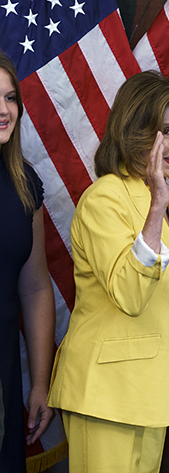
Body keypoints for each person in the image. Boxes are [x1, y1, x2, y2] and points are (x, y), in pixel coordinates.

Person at [47, 71, 169, 472]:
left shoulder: (161, 199)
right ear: (136, 130)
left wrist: (157, 203)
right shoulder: (105, 198)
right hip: (106, 395)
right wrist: (155, 209)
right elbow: (131, 295)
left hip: (149, 396)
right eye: (167, 130)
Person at [0, 52, 55, 470]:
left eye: (10, 98)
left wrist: (40, 381)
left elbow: (35, 287)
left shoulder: (24, 180)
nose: (4, 111)